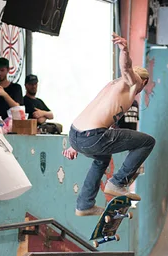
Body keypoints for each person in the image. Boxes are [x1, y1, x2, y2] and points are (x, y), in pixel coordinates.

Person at [63, 33, 155, 217]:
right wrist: (125, 50)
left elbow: (97, 114)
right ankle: (118, 183)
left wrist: (74, 145)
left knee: (102, 158)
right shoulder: (132, 82)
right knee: (147, 142)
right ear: (144, 83)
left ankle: (84, 205)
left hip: (75, 134)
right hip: (92, 135)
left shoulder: (111, 86)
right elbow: (127, 69)